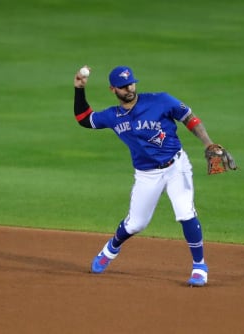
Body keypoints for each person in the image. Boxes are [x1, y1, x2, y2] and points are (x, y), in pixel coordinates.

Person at [73, 65, 220, 286]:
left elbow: (190, 118)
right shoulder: (113, 116)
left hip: (176, 166)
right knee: (136, 224)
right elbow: (84, 119)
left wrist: (208, 143)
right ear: (113, 89)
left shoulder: (160, 100)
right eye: (123, 86)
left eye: (131, 83)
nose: (129, 88)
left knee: (185, 212)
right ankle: (112, 247)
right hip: (146, 174)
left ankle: (199, 266)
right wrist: (79, 89)